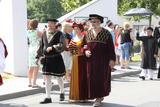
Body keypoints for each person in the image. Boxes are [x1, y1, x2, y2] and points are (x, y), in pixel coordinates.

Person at [82, 14, 116, 106]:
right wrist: (85, 51)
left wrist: (112, 59)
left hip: (103, 61)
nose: (93, 23)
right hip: (90, 61)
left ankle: (99, 97)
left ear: (100, 22)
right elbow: (84, 45)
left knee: (100, 79)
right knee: (90, 78)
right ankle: (93, 95)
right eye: (91, 21)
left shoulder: (106, 33)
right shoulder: (87, 33)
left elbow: (111, 48)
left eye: (95, 21)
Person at [36, 19, 66, 104]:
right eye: (48, 23)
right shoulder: (44, 33)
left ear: (55, 24)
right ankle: (48, 97)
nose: (49, 24)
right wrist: (37, 56)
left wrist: (53, 47)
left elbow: (63, 44)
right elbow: (41, 45)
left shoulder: (59, 33)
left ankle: (62, 91)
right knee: (47, 78)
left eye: (51, 23)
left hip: (56, 58)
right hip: (47, 59)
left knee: (59, 77)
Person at [68, 22, 88, 101]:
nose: (75, 30)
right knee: (75, 77)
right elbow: (70, 49)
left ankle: (83, 96)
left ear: (81, 29)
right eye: (74, 29)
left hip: (82, 59)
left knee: (82, 77)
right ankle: (75, 95)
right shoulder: (73, 38)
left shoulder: (84, 38)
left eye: (77, 29)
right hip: (74, 59)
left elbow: (86, 48)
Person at [27, 19, 42, 88]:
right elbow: (43, 38)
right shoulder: (38, 32)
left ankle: (29, 82)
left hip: (30, 49)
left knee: (30, 67)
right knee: (36, 67)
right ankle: (34, 83)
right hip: (36, 49)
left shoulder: (28, 32)